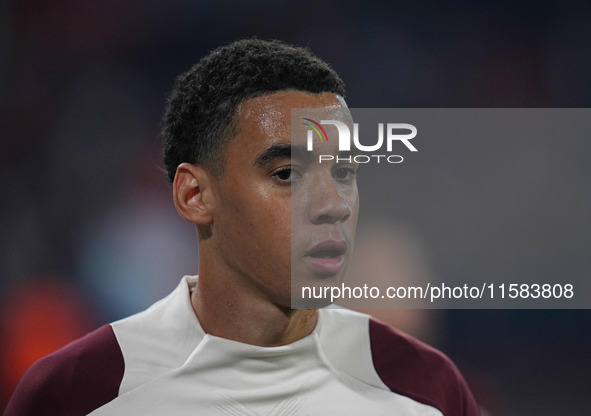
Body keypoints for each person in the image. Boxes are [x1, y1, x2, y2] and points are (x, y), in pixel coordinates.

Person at [5, 38, 480, 415]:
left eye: (343, 173)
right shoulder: (76, 393)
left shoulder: (427, 389)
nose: (332, 205)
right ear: (195, 196)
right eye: (286, 174)